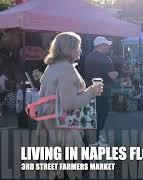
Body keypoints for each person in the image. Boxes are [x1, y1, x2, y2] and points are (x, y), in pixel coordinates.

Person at [38, 32, 103, 178]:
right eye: (77, 47)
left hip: (52, 127)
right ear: (68, 49)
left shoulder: (52, 66)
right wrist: (91, 92)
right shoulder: (67, 70)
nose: (80, 50)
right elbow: (69, 104)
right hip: (67, 131)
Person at [84, 36, 118, 146]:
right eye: (107, 45)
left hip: (90, 90)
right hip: (102, 91)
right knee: (102, 115)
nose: (109, 47)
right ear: (101, 46)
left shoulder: (89, 57)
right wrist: (117, 73)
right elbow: (112, 75)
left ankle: (93, 139)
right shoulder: (105, 58)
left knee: (93, 115)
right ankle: (95, 140)